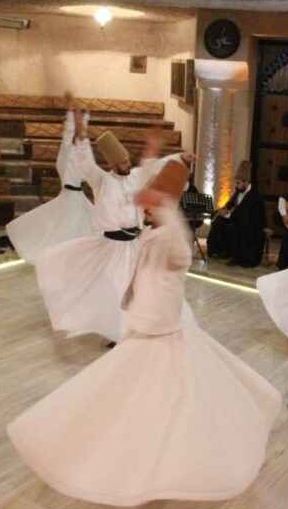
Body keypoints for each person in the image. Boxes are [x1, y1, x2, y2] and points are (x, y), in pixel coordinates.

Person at [7, 161, 281, 505]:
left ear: (165, 202)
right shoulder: (155, 229)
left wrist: (164, 211)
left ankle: (153, 464)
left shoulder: (172, 234)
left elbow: (180, 257)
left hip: (158, 330)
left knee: (158, 397)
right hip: (145, 326)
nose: (144, 207)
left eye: (152, 202)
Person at [34, 113, 193, 345]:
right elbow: (86, 164)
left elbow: (154, 164)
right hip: (110, 246)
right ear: (114, 163)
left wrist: (180, 157)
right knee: (112, 291)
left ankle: (133, 330)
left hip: (134, 244)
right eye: (125, 161)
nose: (129, 163)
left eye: (129, 159)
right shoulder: (102, 181)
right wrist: (81, 135)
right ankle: (116, 332)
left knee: (138, 289)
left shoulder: (136, 177)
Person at [6, 93, 96, 264]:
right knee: (65, 225)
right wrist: (71, 110)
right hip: (70, 194)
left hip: (77, 196)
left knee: (78, 225)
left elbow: (80, 136)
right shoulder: (67, 153)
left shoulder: (80, 154)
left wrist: (85, 117)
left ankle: (73, 251)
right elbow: (70, 133)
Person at [206, 160, 266, 267]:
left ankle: (236, 256)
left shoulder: (255, 196)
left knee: (233, 227)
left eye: (238, 183)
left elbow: (247, 215)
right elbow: (231, 204)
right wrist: (221, 211)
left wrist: (229, 215)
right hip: (237, 219)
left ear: (246, 182)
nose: (236, 186)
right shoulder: (239, 191)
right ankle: (219, 251)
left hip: (250, 226)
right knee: (219, 222)